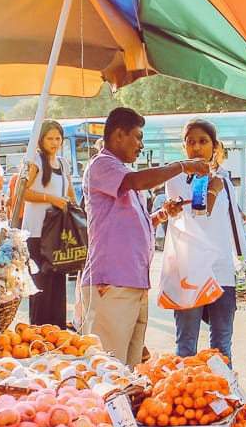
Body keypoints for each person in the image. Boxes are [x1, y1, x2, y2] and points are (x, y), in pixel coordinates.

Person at [79, 107, 210, 367]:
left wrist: (162, 214)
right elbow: (139, 181)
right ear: (119, 135)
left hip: (133, 282)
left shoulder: (121, 172)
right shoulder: (102, 165)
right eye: (138, 137)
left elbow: (131, 224)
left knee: (129, 369)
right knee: (108, 368)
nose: (141, 145)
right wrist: (182, 166)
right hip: (111, 283)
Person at [164, 119, 246, 362]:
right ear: (184, 146)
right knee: (186, 347)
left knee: (221, 348)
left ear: (214, 146)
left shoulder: (223, 180)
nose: (196, 147)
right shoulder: (175, 180)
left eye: (203, 141)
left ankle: (223, 387)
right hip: (189, 273)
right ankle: (185, 387)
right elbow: (198, 214)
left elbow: (235, 227)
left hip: (222, 272)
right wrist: (212, 189)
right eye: (191, 142)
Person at [20, 120, 78, 327]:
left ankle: (57, 330)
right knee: (41, 286)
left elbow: (70, 194)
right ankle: (38, 331)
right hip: (37, 233)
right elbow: (23, 193)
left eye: (58, 138)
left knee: (58, 285)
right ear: (41, 140)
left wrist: (78, 215)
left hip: (59, 234)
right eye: (50, 138)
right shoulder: (34, 161)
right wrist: (51, 199)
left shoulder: (63, 164)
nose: (54, 142)